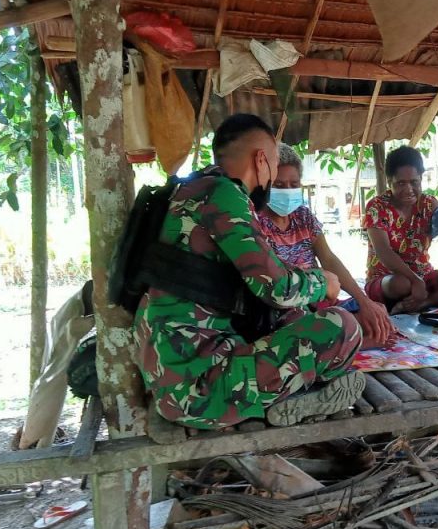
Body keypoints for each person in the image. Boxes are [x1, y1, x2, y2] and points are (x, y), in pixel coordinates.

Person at [135, 114, 365, 431]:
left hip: (173, 373)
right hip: (199, 392)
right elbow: (277, 287)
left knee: (293, 315)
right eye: (274, 166)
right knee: (343, 327)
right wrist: (321, 283)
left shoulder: (188, 191)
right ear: (261, 160)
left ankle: (298, 390)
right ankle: (299, 396)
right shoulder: (224, 194)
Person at [257, 143, 396, 348]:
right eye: (279, 185)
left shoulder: (303, 216)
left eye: (294, 184)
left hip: (320, 303)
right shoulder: (256, 223)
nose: (288, 191)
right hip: (285, 308)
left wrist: (364, 301)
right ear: (265, 185)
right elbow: (275, 282)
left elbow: (329, 259)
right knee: (334, 324)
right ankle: (350, 343)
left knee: (376, 312)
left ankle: (349, 339)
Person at [362, 145, 438, 313]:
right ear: (389, 182)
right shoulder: (377, 206)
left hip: (424, 277)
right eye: (401, 183)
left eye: (414, 182)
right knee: (402, 284)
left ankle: (424, 303)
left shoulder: (429, 204)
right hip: (386, 281)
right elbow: (384, 252)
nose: (408, 190)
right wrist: (415, 280)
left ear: (421, 179)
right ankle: (421, 297)